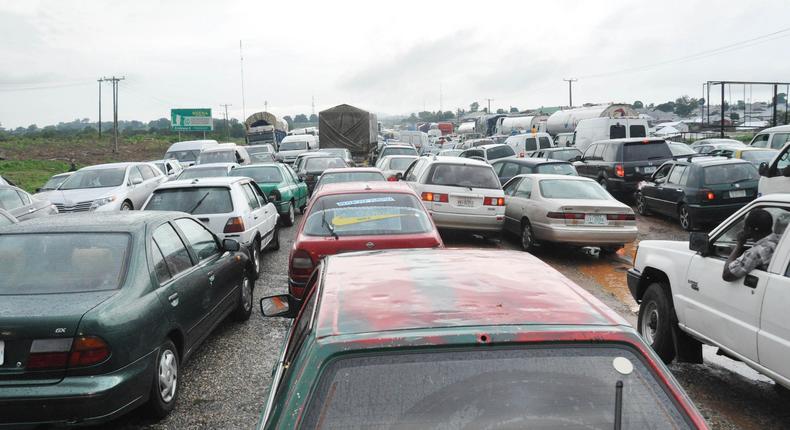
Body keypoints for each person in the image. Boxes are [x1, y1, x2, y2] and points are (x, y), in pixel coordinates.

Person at [722, 208, 781, 281]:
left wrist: (739, 245)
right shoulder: (780, 240)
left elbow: (726, 275)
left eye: (744, 226)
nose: (743, 229)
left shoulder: (755, 253)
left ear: (749, 230)